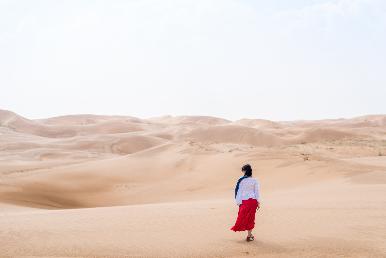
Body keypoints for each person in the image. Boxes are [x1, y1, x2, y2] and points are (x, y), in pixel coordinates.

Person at [230, 164, 260, 242]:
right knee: (251, 218)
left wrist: (238, 202)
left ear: (244, 171)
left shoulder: (241, 180)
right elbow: (257, 192)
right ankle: (249, 235)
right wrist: (258, 202)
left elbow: (239, 191)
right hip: (253, 201)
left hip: (244, 201)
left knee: (241, 217)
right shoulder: (255, 180)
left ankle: (248, 234)